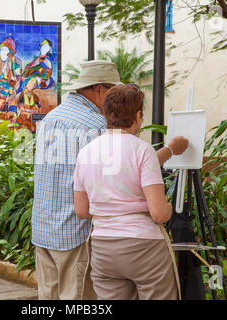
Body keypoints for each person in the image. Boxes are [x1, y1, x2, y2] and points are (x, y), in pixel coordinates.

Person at [31, 60, 188, 300]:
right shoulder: (96, 126)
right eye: (112, 90)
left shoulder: (50, 119)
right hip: (74, 233)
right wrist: (169, 150)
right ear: (98, 90)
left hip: (43, 230)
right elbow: (131, 167)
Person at [73, 84, 184, 300]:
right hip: (144, 246)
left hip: (103, 248)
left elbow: (81, 210)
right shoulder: (142, 150)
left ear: (106, 113)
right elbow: (159, 213)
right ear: (138, 115)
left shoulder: (86, 152)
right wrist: (170, 206)